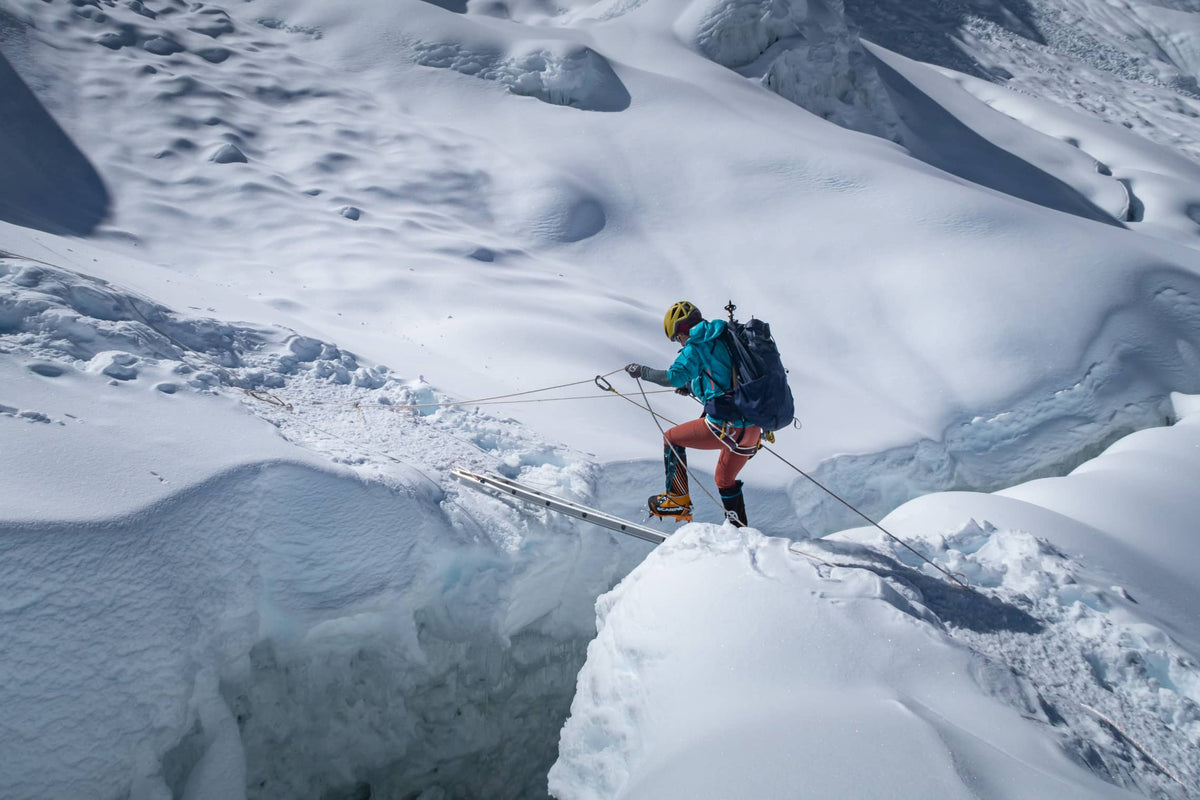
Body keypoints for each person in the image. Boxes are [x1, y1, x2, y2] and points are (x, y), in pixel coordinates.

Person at [625, 301, 761, 527]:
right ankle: (740, 532)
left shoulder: (697, 344)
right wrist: (690, 386)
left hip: (727, 426)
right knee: (724, 480)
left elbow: (674, 377)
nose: (680, 342)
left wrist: (642, 372)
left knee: (671, 438)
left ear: (681, 331)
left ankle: (677, 500)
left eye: (677, 338)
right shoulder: (725, 337)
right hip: (754, 429)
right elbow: (721, 378)